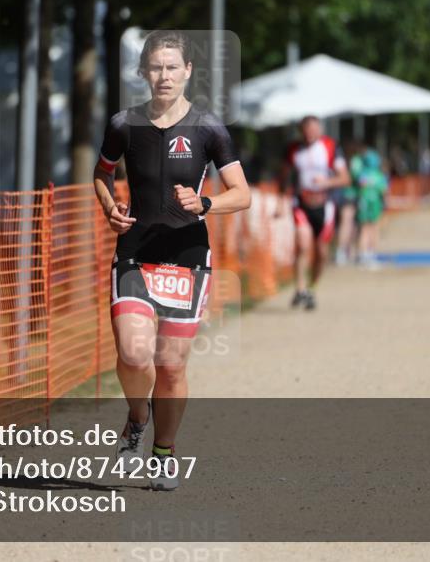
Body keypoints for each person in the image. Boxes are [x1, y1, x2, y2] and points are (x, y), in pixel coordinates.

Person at [93, 30, 251, 491]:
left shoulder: (208, 128)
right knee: (132, 352)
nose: (163, 75)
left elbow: (242, 194)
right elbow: (101, 175)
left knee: (171, 365)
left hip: (186, 256)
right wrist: (109, 207)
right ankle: (137, 419)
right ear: (144, 72)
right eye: (155, 67)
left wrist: (203, 204)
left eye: (171, 67)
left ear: (187, 72)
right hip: (135, 253)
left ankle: (163, 453)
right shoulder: (124, 124)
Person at [276, 115, 351, 310]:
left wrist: (326, 183)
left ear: (320, 130)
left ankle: (312, 287)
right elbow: (283, 176)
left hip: (324, 205)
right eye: (306, 130)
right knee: (302, 243)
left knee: (321, 251)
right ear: (301, 131)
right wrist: (280, 200)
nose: (309, 133)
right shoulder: (293, 149)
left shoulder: (330, 147)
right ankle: (300, 289)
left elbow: (345, 178)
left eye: (313, 129)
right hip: (301, 203)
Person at [356, 149, 388, 269]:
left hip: (363, 203)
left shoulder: (362, 174)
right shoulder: (379, 175)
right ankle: (371, 254)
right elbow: (384, 190)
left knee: (364, 229)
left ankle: (363, 254)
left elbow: (360, 186)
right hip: (374, 203)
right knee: (373, 228)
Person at [334, 140, 363, 266]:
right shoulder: (356, 160)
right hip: (350, 195)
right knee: (347, 223)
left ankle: (347, 251)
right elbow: (358, 177)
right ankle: (342, 252)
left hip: (341, 194)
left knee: (348, 224)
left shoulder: (339, 159)